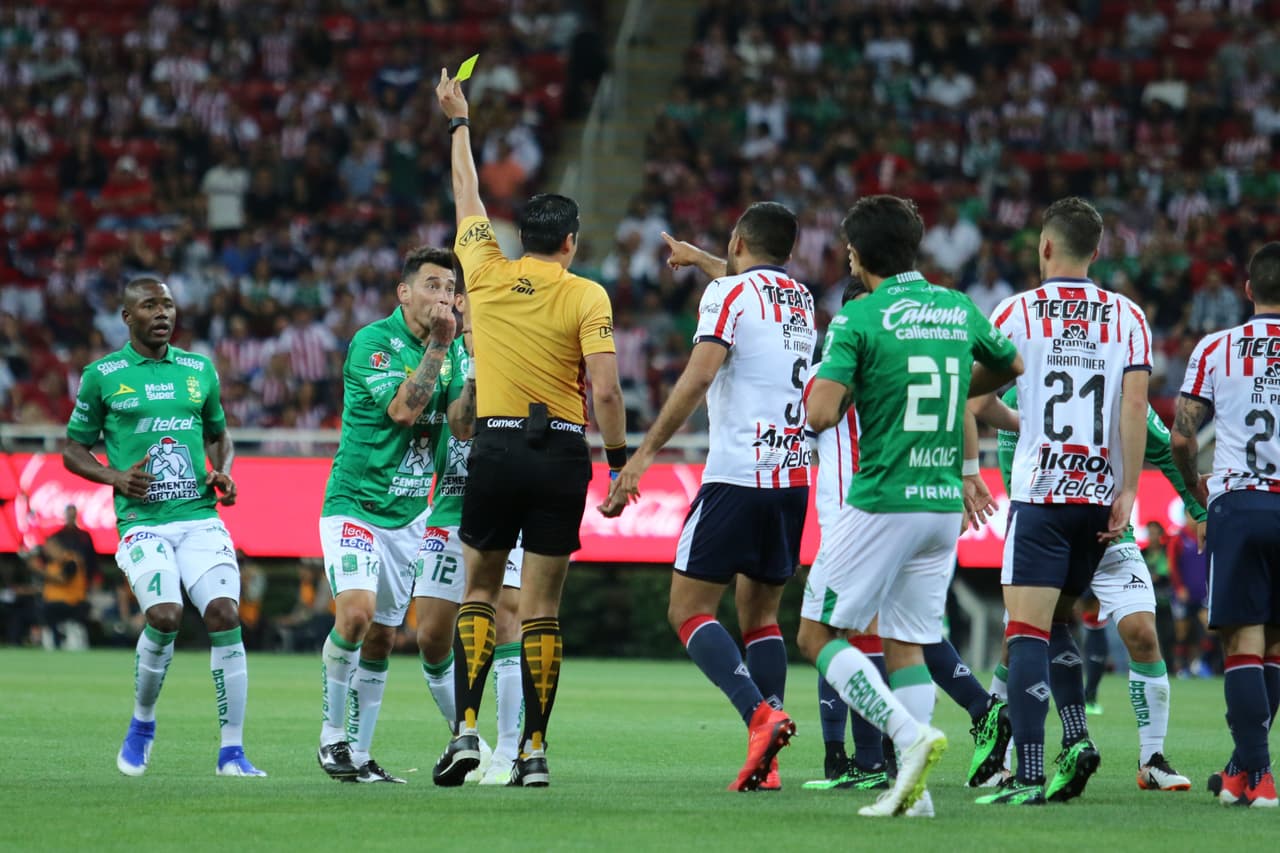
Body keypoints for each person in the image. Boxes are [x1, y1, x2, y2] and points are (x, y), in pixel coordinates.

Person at [431, 68, 627, 789]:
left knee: (480, 592)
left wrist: (459, 122)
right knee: (541, 606)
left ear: (525, 235)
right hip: (561, 451)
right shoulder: (587, 293)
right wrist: (619, 461)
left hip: (498, 442)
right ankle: (534, 749)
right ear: (570, 241)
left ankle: (468, 731)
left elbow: (466, 194)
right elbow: (604, 388)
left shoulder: (481, 269)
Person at [800, 194, 1022, 817]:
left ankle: (906, 736)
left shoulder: (859, 318)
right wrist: (956, 392)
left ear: (859, 255)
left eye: (847, 248)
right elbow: (1012, 363)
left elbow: (821, 413)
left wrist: (848, 391)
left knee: (816, 631)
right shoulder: (956, 307)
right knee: (907, 641)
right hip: (940, 503)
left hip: (881, 498)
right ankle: (912, 794)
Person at [605, 204, 815, 792]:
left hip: (735, 476)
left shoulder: (725, 298)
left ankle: (759, 716)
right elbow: (745, 280)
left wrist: (643, 455)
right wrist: (700, 259)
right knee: (763, 617)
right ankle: (767, 759)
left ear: (738, 239)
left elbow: (698, 377)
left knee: (688, 609)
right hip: (792, 479)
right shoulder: (801, 301)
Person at [977, 196, 1151, 806]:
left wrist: (1016, 426)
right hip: (1098, 499)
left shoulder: (1016, 311)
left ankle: (1027, 773)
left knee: (1024, 630)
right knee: (1057, 624)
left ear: (1044, 246)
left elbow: (976, 402)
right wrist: (1128, 488)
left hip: (1041, 495)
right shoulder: (1128, 317)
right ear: (1096, 252)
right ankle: (1076, 737)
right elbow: (1135, 408)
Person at [63, 276, 264, 777]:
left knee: (223, 613)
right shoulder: (102, 375)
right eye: (150, 306)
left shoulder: (199, 370)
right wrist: (113, 476)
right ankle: (143, 722)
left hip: (199, 518)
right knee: (167, 615)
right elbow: (71, 448)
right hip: (142, 525)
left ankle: (232, 752)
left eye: (168, 305)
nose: (162, 314)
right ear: (127, 316)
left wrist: (224, 472)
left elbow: (220, 435)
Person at [978, 386, 1201, 791]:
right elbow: (1015, 468)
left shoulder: (1122, 387)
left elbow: (1166, 450)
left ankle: (1151, 760)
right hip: (1047, 527)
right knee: (1020, 642)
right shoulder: (1022, 391)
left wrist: (1199, 509)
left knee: (1144, 634)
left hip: (1113, 533)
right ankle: (997, 756)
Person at [315, 246, 458, 784]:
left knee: (382, 637)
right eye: (431, 285)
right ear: (404, 293)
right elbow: (404, 409)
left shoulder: (457, 350)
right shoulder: (373, 342)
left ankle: (360, 752)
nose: (442, 297)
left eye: (449, 288)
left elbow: (462, 425)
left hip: (408, 514)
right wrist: (443, 348)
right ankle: (331, 737)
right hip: (355, 503)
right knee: (355, 614)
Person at [1171, 241, 1280, 808]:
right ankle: (1241, 773)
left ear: (1247, 290)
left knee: (1243, 641)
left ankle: (1259, 778)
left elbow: (1183, 436)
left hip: (1239, 503)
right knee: (1275, 644)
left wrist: (1198, 491)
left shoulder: (1217, 347)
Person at [411, 279, 527, 786]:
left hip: (505, 503)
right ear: (462, 303)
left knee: (506, 620)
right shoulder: (447, 354)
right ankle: (468, 738)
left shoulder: (520, 350)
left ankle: (506, 751)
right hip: (449, 507)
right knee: (433, 636)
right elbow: (456, 427)